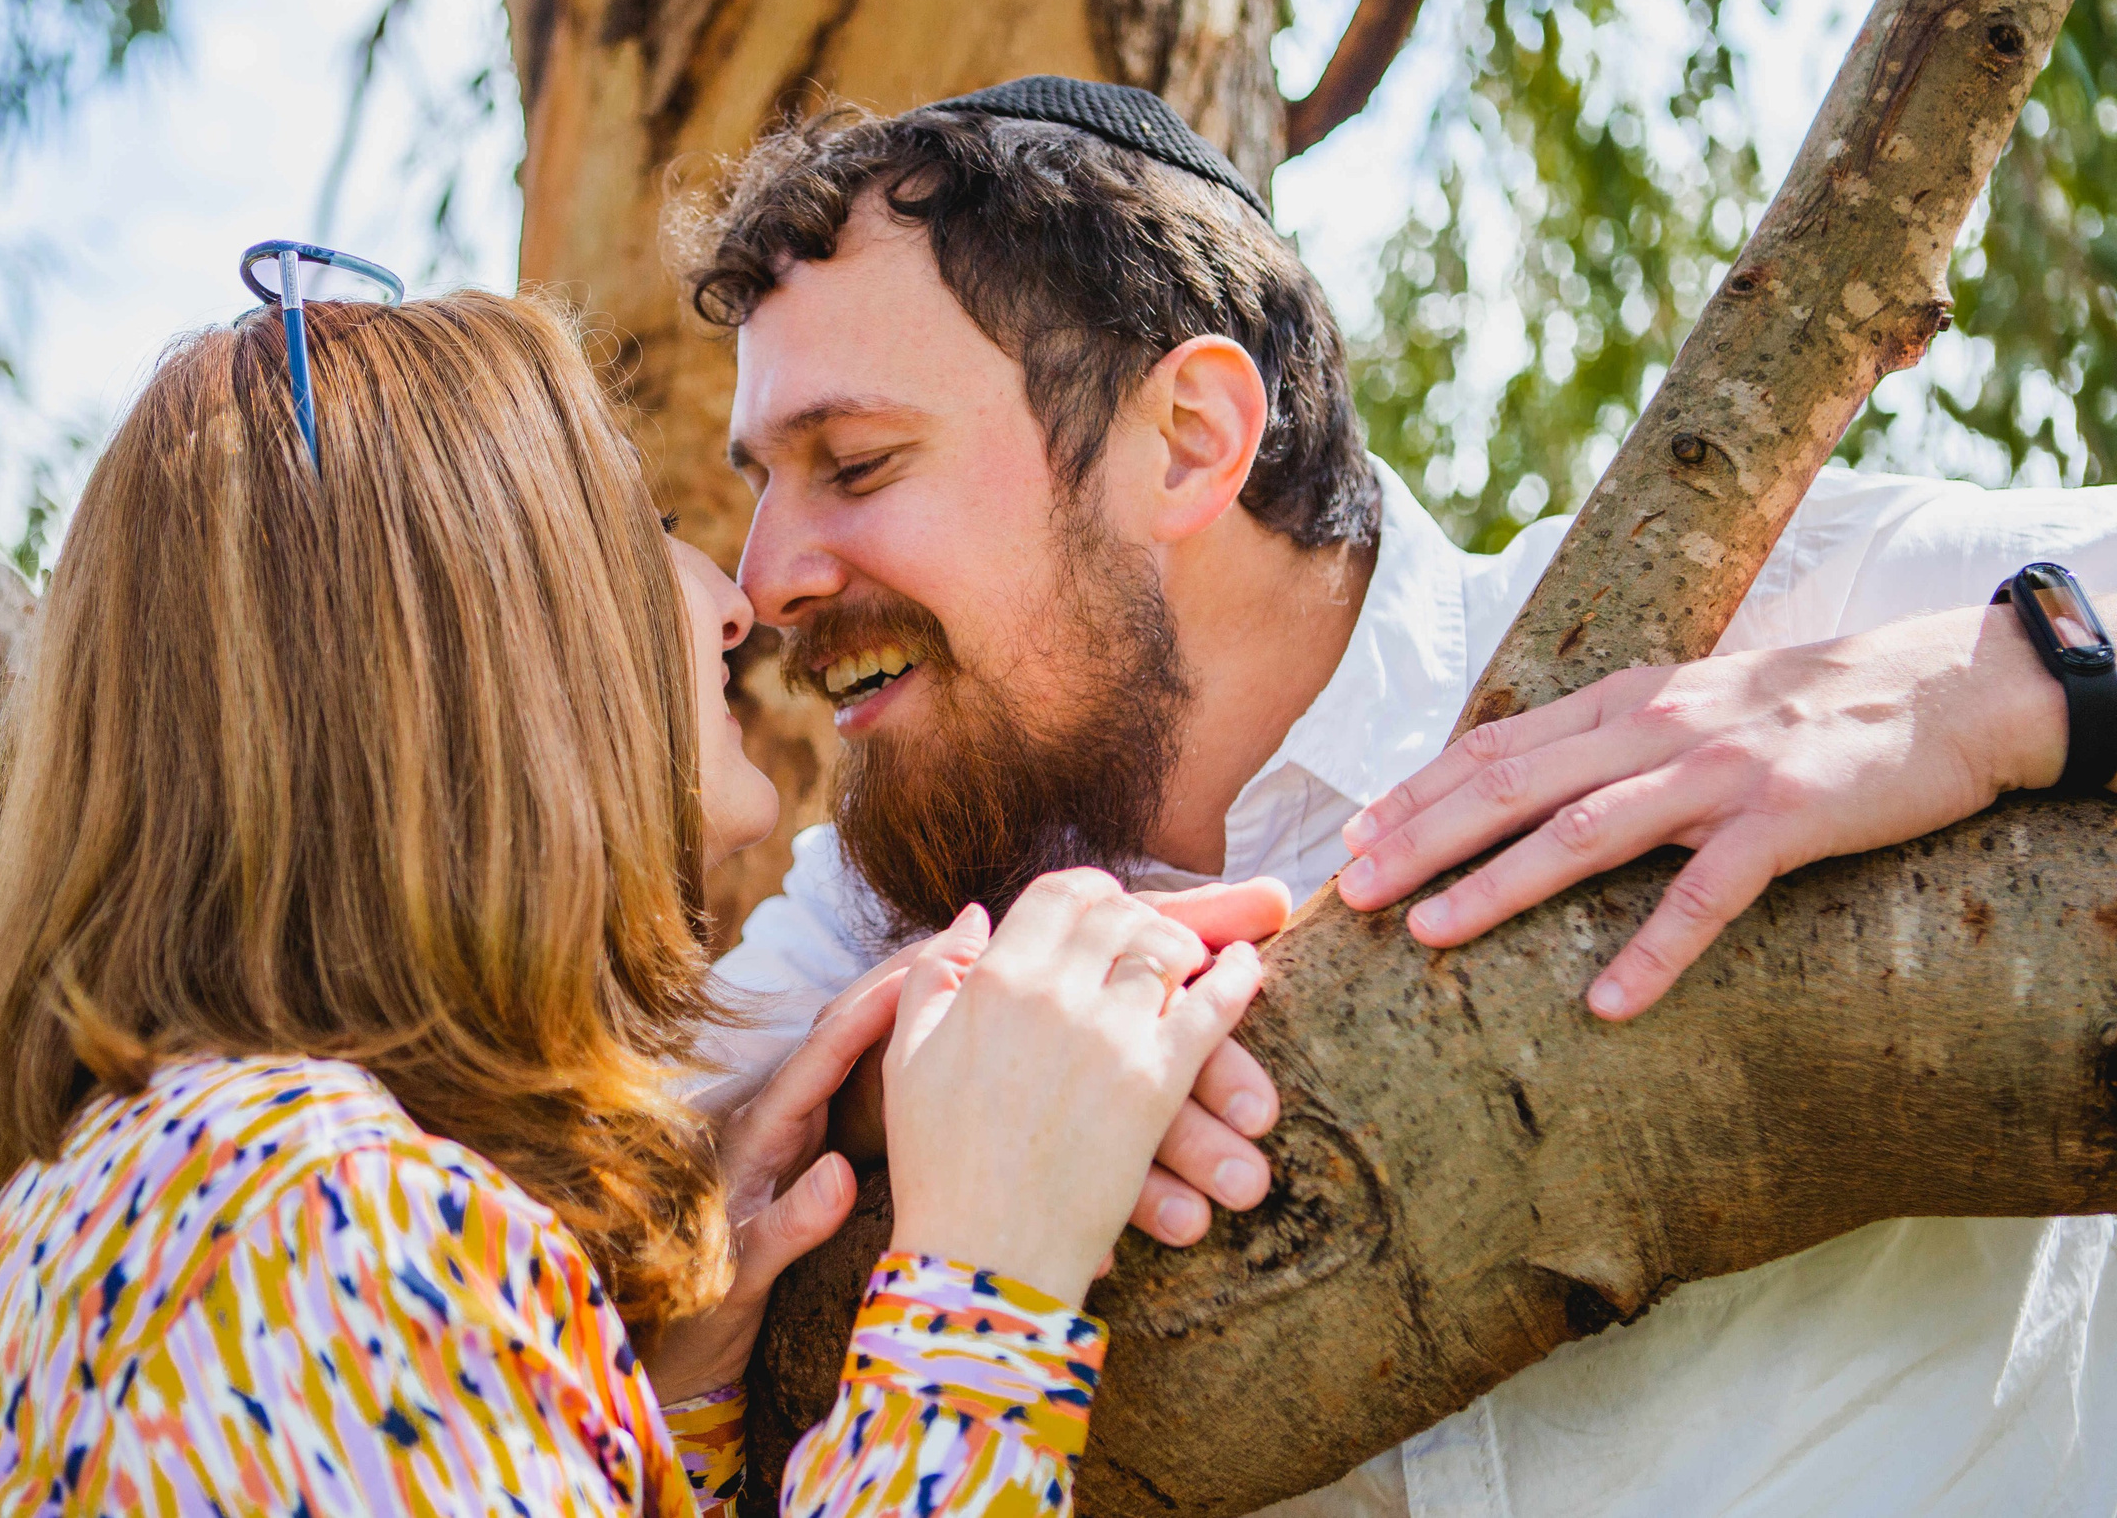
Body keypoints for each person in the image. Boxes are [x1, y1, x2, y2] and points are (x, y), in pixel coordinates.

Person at [678, 76, 2117, 1515]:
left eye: (856, 464)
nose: (767, 578)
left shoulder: (1759, 616)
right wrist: (926, 1072)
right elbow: (586, 1201)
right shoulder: (874, 915)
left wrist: (1986, 684)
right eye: (765, 488)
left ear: (1188, 438)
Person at [0, 288, 1291, 1515]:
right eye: (629, 530)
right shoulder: (326, 1226)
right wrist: (982, 1301)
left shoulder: (144, 1200)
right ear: (473, 661)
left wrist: (649, 1419)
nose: (732, 600)